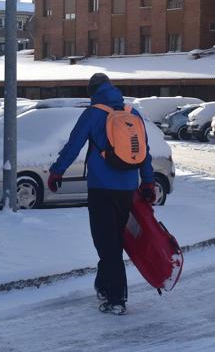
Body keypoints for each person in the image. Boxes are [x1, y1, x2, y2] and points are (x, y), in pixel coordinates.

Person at [48, 73, 157, 316]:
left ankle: (116, 298)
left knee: (107, 243)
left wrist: (57, 172)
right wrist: (148, 182)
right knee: (113, 241)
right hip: (128, 188)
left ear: (92, 91)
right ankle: (103, 285)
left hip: (101, 188)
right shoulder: (133, 112)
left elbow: (73, 144)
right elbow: (144, 151)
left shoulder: (94, 113)